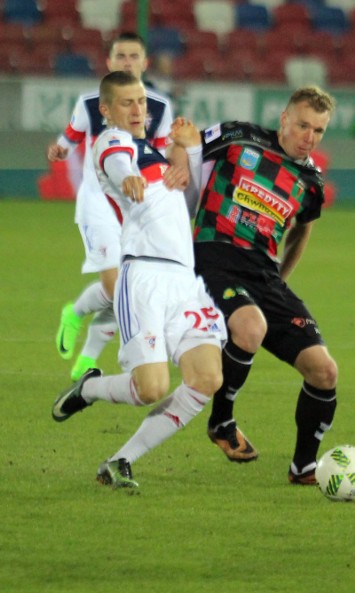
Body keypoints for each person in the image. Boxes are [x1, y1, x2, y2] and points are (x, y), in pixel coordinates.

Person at [51, 71, 225, 490]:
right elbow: (118, 163)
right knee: (151, 388)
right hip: (143, 275)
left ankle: (119, 461)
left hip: (185, 280)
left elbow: (192, 198)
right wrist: (128, 174)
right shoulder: (113, 142)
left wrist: (187, 152)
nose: (137, 110)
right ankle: (89, 389)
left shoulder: (158, 153)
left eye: (142, 102)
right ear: (107, 110)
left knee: (207, 378)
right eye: (126, 103)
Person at [186, 86, 339, 484]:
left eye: (319, 130)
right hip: (214, 252)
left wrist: (280, 280)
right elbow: (189, 148)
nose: (310, 136)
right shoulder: (239, 137)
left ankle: (303, 467)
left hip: (263, 274)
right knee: (251, 328)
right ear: (284, 118)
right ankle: (222, 421)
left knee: (324, 371)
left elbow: (302, 231)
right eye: (304, 124)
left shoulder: (311, 182)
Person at [48, 32, 174, 381]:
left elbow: (161, 156)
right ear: (109, 62)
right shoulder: (91, 103)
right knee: (116, 285)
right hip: (97, 204)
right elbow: (70, 137)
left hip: (137, 206)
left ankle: (86, 358)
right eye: (121, 56)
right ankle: (76, 315)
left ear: (145, 63)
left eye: (134, 56)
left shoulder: (159, 106)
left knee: (127, 288)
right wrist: (60, 148)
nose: (128, 62)